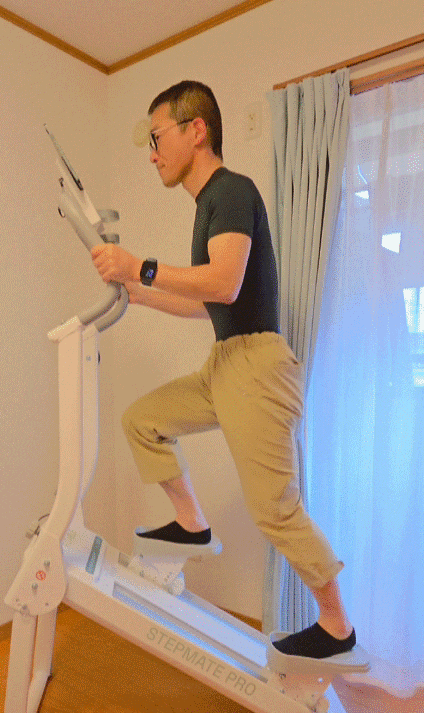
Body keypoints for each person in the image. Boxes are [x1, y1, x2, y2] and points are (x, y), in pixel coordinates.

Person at [91, 80, 355, 659]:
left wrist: (140, 266)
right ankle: (191, 523)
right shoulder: (207, 206)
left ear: (196, 130)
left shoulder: (231, 191)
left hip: (257, 366)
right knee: (142, 420)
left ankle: (337, 626)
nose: (153, 154)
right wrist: (134, 290)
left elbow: (225, 281)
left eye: (156, 137)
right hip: (226, 362)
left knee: (275, 509)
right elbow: (204, 301)